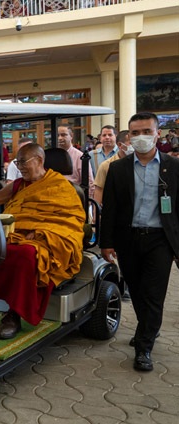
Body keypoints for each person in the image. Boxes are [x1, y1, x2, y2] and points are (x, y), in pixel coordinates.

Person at [0, 143, 85, 339]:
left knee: (24, 255)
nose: (19, 167)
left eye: (23, 162)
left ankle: (14, 315)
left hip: (47, 239)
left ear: (39, 160)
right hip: (15, 234)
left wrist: (40, 233)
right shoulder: (18, 185)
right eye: (17, 162)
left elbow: (71, 222)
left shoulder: (61, 186)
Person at [100, 112, 179, 372]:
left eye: (146, 131)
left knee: (154, 295)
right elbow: (109, 208)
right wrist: (106, 242)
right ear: (129, 137)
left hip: (160, 240)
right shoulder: (118, 168)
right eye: (135, 133)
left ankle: (144, 347)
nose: (141, 137)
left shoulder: (173, 166)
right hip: (129, 239)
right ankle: (148, 328)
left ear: (158, 133)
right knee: (136, 290)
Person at [93, 130, 131, 205]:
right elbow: (98, 192)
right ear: (120, 145)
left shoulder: (138, 163)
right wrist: (96, 215)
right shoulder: (106, 165)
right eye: (131, 143)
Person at [56, 124, 95, 197]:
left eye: (63, 135)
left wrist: (87, 202)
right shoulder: (51, 155)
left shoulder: (79, 156)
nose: (60, 138)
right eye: (57, 135)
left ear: (71, 136)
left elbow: (89, 182)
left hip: (73, 197)